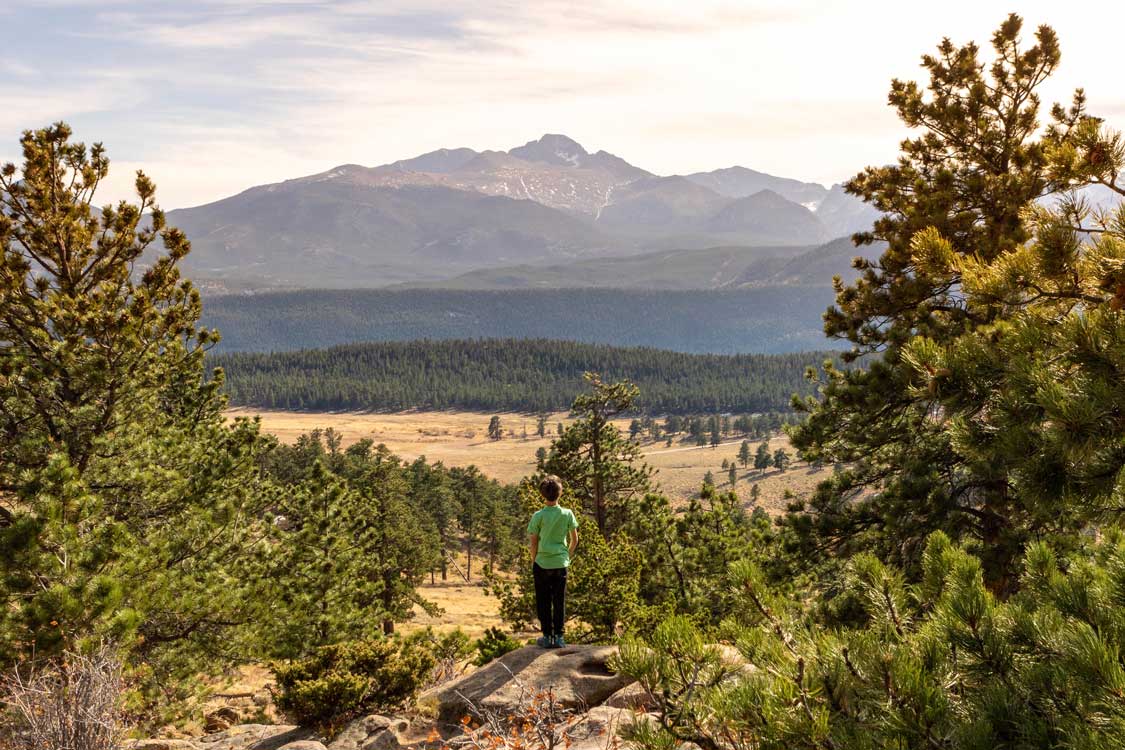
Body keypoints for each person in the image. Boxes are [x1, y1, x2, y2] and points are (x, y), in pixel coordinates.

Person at [527, 475, 578, 648]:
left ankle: (547, 636)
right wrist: (567, 555)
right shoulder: (567, 514)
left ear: (542, 494)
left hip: (542, 563)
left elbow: (533, 542)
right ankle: (560, 638)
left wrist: (534, 560)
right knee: (559, 601)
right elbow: (575, 540)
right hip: (561, 563)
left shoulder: (538, 516)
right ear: (560, 493)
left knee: (543, 601)